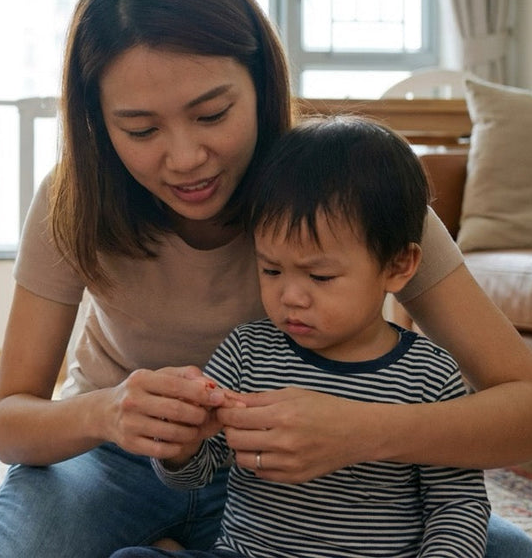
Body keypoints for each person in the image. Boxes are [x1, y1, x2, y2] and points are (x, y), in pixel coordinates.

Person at [0, 0, 532, 557]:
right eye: (140, 128)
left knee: (505, 553)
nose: (185, 158)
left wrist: (360, 430)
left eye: (213, 113)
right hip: (119, 463)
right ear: (97, 123)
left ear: (261, 81)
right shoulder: (72, 201)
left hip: (302, 475)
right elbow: (11, 423)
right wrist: (110, 413)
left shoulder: (342, 189)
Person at [109, 115, 491, 558]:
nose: (290, 296)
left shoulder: (429, 373)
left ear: (397, 266)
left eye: (321, 276)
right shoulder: (247, 352)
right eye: (270, 269)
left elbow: (457, 504)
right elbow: (196, 474)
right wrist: (181, 446)